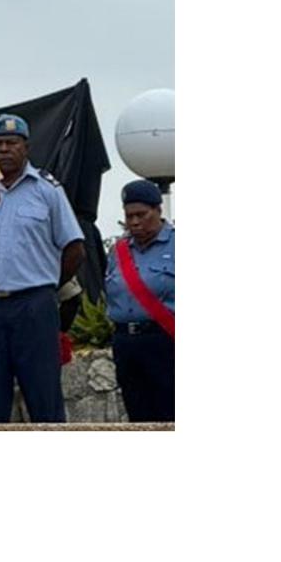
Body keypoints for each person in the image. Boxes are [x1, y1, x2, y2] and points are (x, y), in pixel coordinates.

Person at [0, 114, 85, 423]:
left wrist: (48, 284)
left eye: (13, 143)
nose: (5, 149)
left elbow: (74, 246)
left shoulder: (47, 190)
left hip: (34, 307)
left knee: (44, 399)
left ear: (26, 148)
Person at [104, 178, 174, 422]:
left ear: (158, 210)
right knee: (137, 416)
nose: (134, 222)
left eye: (141, 214)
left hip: (165, 341)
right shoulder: (119, 251)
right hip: (127, 343)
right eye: (129, 215)